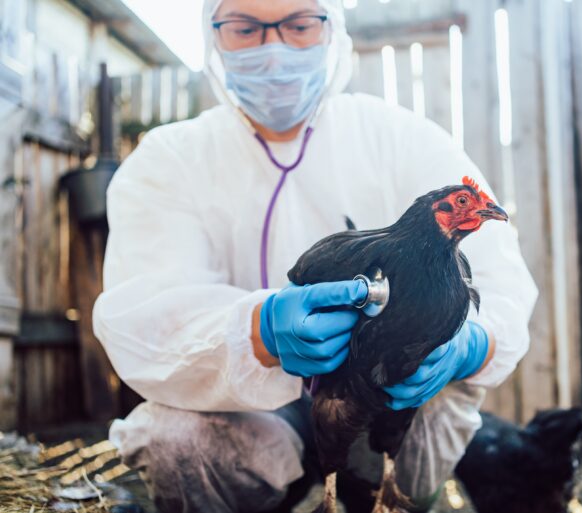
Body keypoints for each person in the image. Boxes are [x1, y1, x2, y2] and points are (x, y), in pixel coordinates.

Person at [92, 0, 538, 511]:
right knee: (173, 435)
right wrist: (255, 331)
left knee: (434, 407)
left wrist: (468, 344)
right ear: (213, 34)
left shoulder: (401, 137)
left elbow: (503, 284)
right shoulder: (168, 161)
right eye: (245, 27)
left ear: (333, 29)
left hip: (386, 391)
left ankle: (392, 493)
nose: (274, 48)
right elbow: (142, 311)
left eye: (299, 24)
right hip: (242, 409)